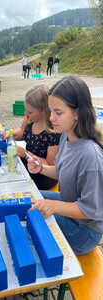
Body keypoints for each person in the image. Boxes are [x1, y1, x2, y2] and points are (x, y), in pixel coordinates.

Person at [28, 75, 103, 255]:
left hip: (84, 231)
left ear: (77, 112)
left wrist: (54, 207)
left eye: (58, 112)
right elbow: (62, 172)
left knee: (30, 220)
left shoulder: (91, 156)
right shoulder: (66, 135)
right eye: (50, 111)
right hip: (68, 206)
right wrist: (42, 168)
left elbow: (91, 209)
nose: (51, 118)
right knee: (28, 198)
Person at [0, 85, 60, 190]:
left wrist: (25, 154)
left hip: (43, 176)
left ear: (44, 111)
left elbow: (49, 164)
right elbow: (22, 132)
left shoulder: (53, 131)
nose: (25, 113)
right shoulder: (30, 118)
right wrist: (10, 135)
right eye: (26, 109)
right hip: (29, 164)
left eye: (30, 112)